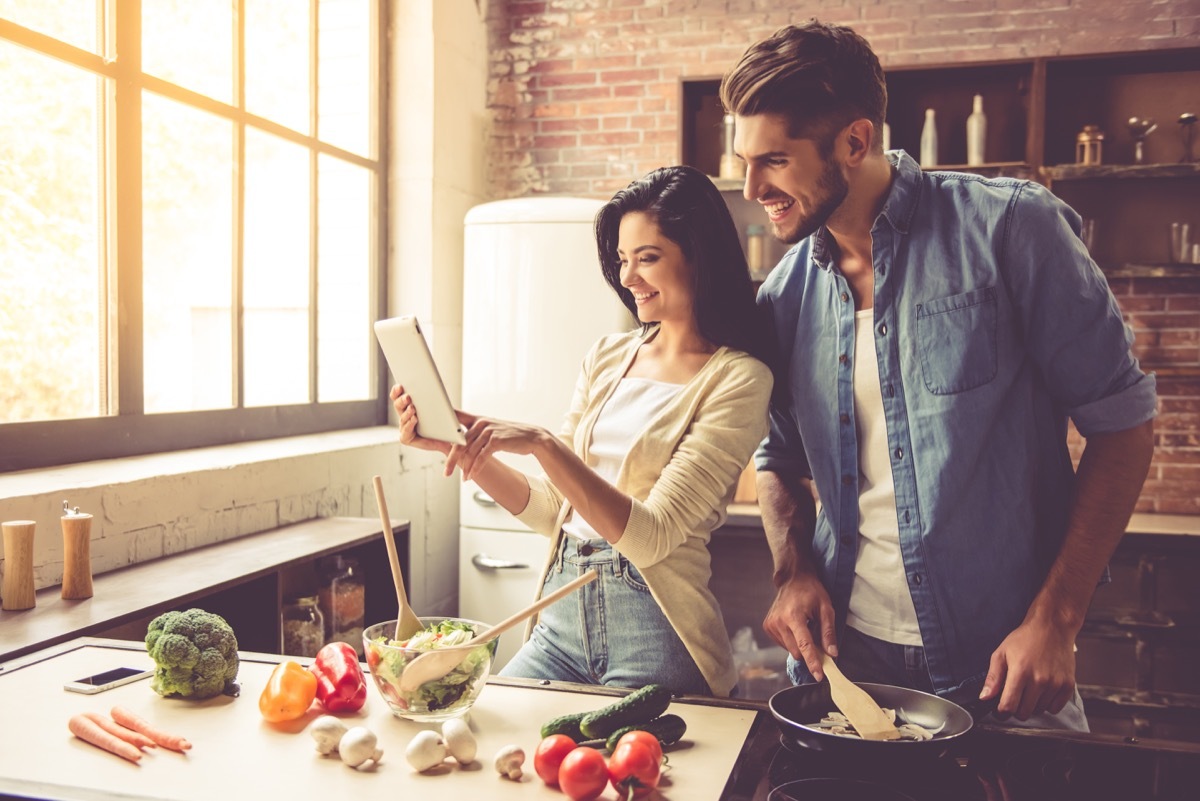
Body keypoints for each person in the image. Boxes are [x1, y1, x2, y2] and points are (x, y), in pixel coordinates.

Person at [720, 20, 1156, 729]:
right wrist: (792, 569)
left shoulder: (1011, 229)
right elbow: (779, 455)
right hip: (846, 666)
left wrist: (1057, 620)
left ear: (855, 142)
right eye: (744, 160)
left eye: (773, 160)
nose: (750, 187)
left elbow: (1124, 425)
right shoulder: (783, 294)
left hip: (1005, 670)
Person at [390, 165, 774, 697]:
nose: (628, 276)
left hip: (655, 626)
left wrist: (542, 444)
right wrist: (467, 453)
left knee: (636, 779)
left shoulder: (738, 378)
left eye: (648, 257)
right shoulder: (607, 356)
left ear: (698, 255)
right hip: (561, 614)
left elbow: (651, 535)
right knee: (493, 739)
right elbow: (556, 510)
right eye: (621, 259)